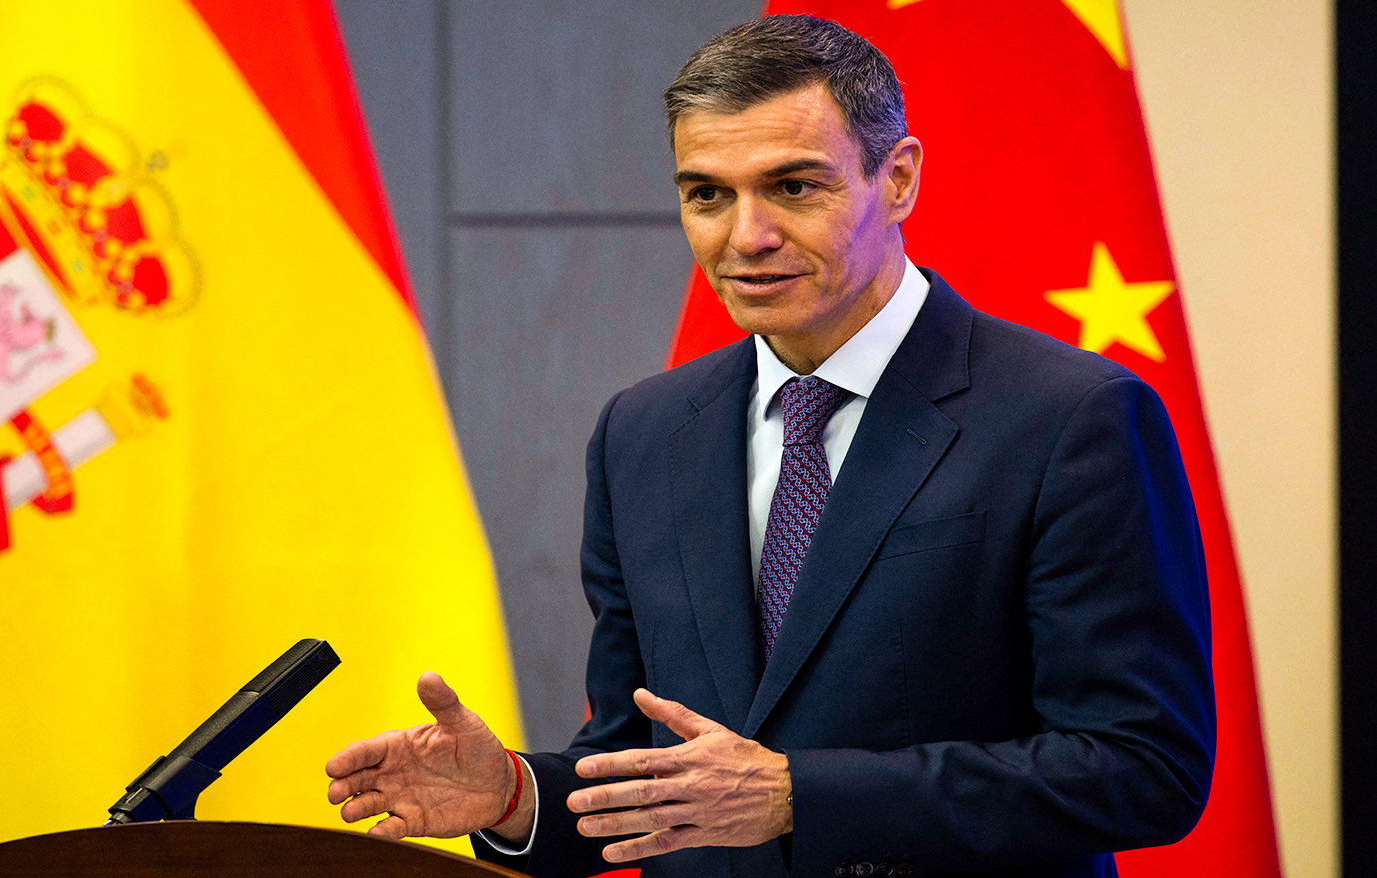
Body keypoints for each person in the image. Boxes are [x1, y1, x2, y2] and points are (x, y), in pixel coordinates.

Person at [325, 14, 1214, 877]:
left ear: (898, 180)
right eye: (707, 195)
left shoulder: (1072, 418)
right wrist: (516, 798)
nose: (745, 237)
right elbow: (647, 765)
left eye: (793, 187)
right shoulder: (642, 433)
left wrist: (799, 797)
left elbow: (1144, 767)